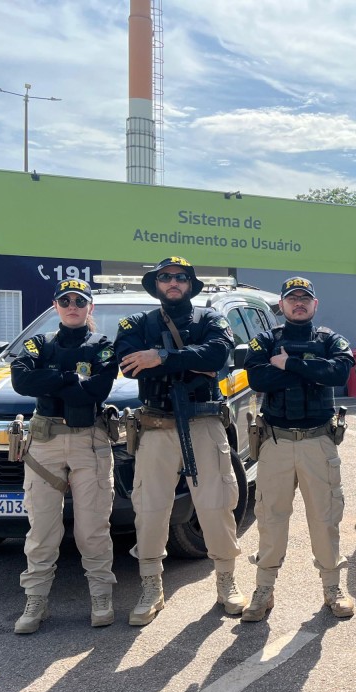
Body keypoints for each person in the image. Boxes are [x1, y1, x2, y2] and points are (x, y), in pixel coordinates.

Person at [115, 256, 248, 626]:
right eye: (166, 277)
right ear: (156, 284)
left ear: (190, 284)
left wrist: (159, 356)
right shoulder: (137, 323)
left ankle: (226, 581)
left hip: (203, 421)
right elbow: (127, 363)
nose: (173, 282)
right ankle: (150, 586)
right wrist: (190, 360)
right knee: (150, 508)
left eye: (180, 277)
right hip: (156, 425)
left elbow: (217, 355)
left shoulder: (210, 319)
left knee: (216, 504)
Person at [240, 276, 356, 621]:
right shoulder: (265, 340)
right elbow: (258, 379)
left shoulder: (330, 339)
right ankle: (264, 590)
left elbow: (340, 374)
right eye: (293, 298)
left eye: (305, 298)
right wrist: (312, 370)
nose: (299, 303)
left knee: (325, 518)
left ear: (315, 304)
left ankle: (332, 588)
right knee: (270, 518)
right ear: (282, 305)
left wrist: (289, 364)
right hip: (275, 442)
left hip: (318, 442)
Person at [9, 278, 118, 633]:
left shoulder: (102, 345)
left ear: (90, 307)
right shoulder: (39, 343)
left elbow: (98, 390)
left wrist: (50, 379)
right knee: (42, 529)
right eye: (66, 301)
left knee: (92, 529)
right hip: (45, 444)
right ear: (56, 306)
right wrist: (70, 378)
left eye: (79, 301)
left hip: (90, 442)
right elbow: (21, 381)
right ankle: (36, 600)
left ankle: (101, 597)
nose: (73, 307)